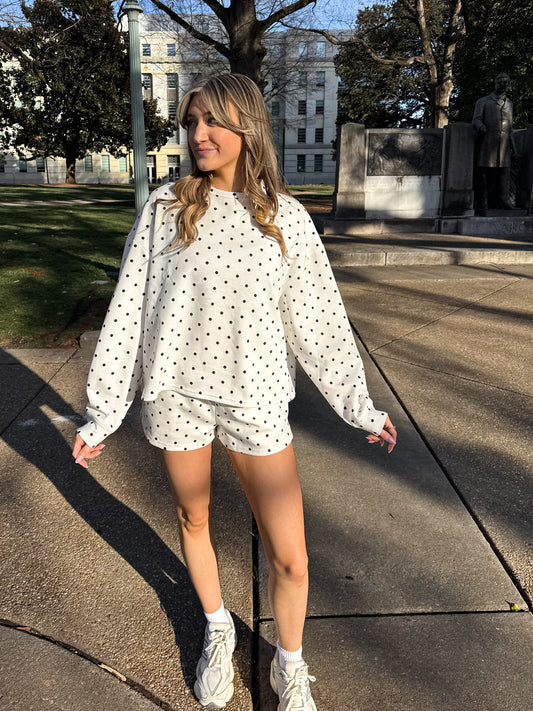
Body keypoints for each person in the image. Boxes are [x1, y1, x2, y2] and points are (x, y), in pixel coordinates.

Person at [72, 73, 397, 710]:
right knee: (193, 518)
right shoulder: (164, 209)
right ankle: (218, 627)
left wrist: (358, 405)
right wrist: (102, 413)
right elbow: (129, 312)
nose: (199, 134)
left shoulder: (285, 217)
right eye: (192, 121)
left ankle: (289, 664)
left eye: (214, 121)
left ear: (248, 128)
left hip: (256, 399)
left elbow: (318, 322)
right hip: (175, 396)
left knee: (291, 556)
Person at [472, 72, 515, 211]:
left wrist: (513, 146)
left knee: (504, 172)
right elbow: (476, 119)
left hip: (504, 144)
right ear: (495, 83)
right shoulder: (483, 101)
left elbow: (510, 127)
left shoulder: (510, 103)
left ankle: (505, 200)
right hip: (488, 141)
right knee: (485, 171)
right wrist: (481, 127)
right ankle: (483, 200)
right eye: (500, 82)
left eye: (505, 82)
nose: (502, 84)